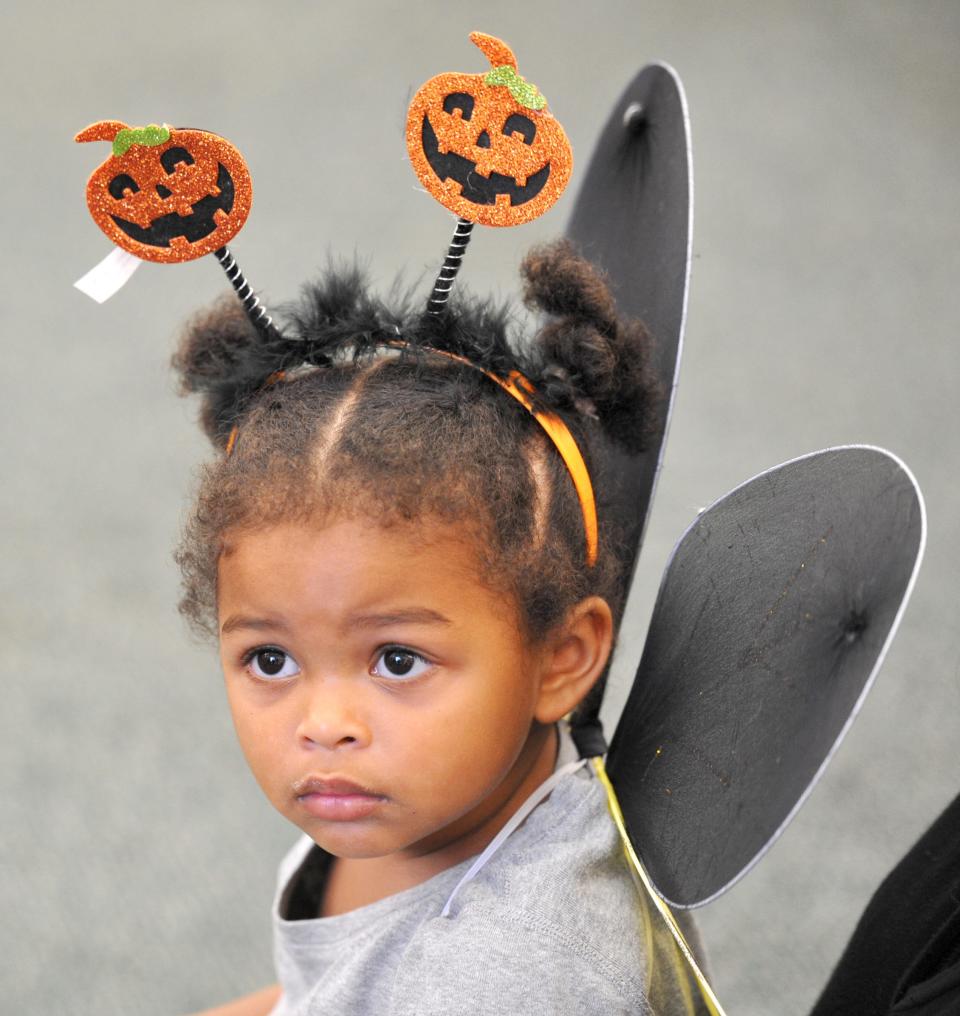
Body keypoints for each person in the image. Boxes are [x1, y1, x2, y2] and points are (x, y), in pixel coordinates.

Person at [171, 239, 709, 1015]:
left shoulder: (505, 978)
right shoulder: (415, 801)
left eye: (395, 660)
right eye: (269, 659)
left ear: (561, 658)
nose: (324, 726)